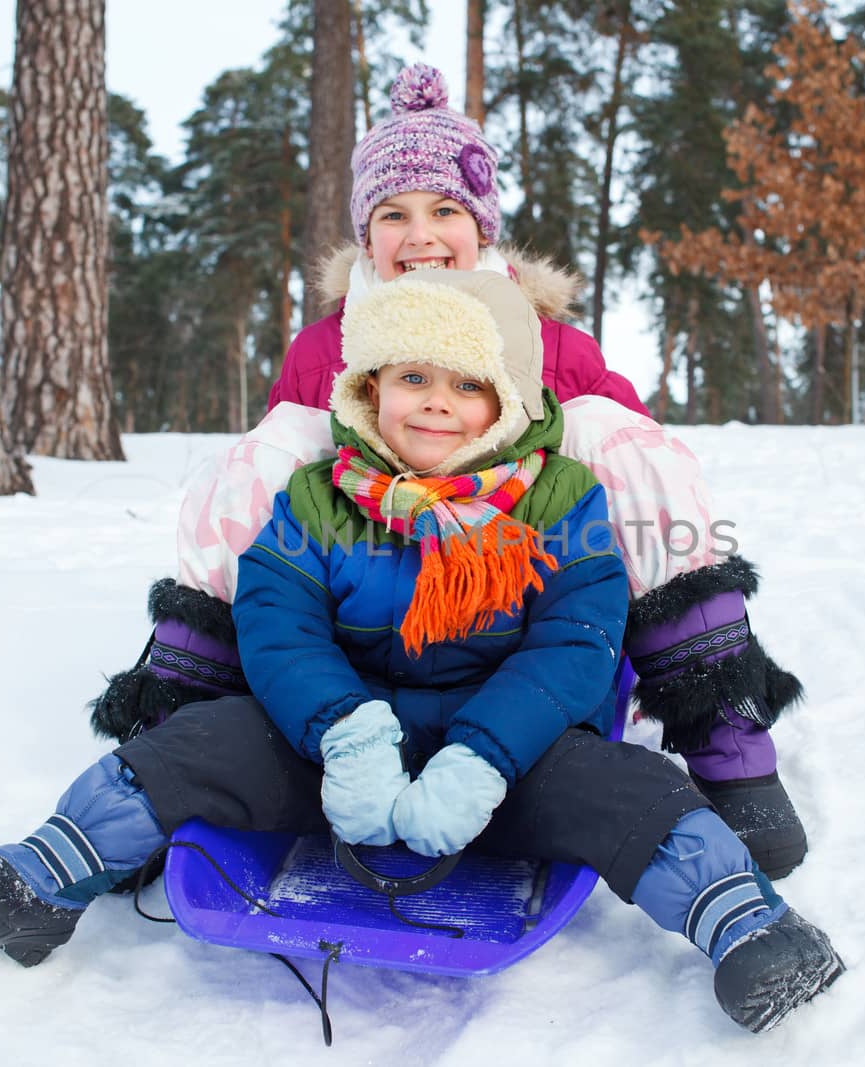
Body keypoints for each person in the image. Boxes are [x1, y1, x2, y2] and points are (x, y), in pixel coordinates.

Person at [0, 270, 843, 1033]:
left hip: (513, 754)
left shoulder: (560, 498)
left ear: (505, 399)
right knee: (200, 745)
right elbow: (279, 624)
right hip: (338, 754)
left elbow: (577, 640)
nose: (437, 402)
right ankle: (40, 881)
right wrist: (344, 732)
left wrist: (485, 753)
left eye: (466, 383)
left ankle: (748, 926)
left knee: (630, 791)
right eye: (412, 379)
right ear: (368, 389)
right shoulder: (320, 497)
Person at [91, 64, 810, 881]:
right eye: (393, 215)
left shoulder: (550, 342)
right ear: (366, 237)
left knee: (622, 436)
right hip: (368, 574)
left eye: (445, 211)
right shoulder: (324, 349)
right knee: (269, 443)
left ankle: (727, 739)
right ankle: (183, 727)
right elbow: (292, 500)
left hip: (516, 563)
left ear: (482, 228)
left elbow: (623, 454)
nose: (420, 234)